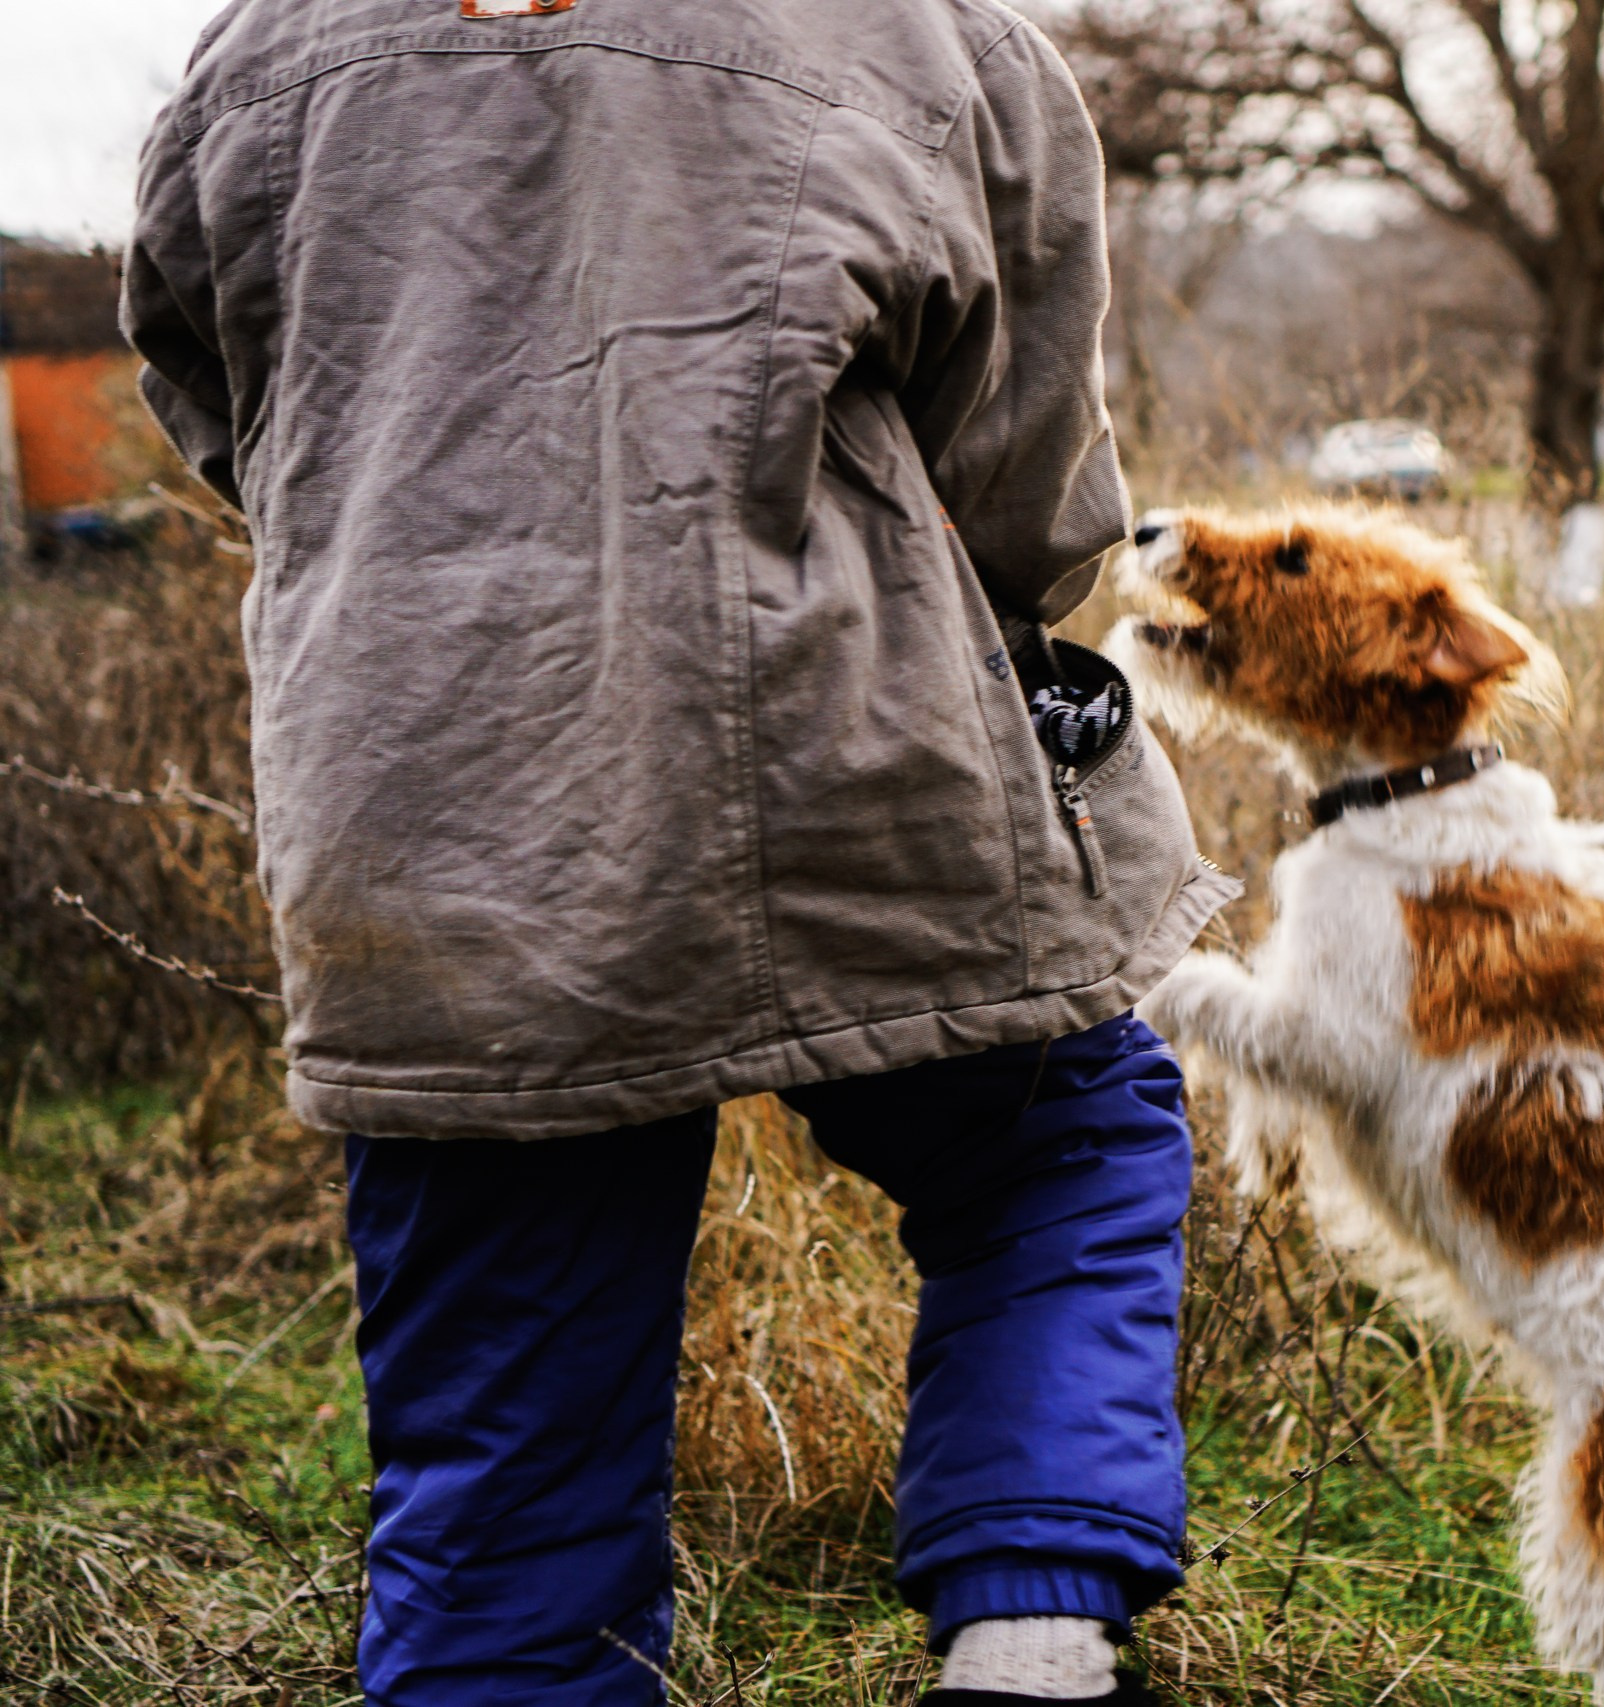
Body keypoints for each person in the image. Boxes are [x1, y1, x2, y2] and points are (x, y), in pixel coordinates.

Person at [122, 1, 1237, 1702]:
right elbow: (1031, 475)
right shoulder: (922, 33)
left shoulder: (261, 49)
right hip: (856, 766)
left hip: (437, 810)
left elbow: (220, 401)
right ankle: (1031, 1639)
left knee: (505, 1418)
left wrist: (417, 541)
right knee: (1058, 1142)